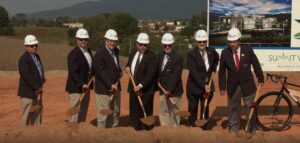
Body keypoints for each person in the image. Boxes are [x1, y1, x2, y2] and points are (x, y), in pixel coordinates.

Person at [219, 28, 264, 137]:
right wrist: (222, 87)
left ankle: (250, 130)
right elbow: (221, 72)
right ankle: (233, 129)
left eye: (234, 41)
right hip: (232, 86)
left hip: (248, 84)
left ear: (239, 40)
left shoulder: (248, 50)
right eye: (230, 42)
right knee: (233, 107)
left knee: (250, 107)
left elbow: (256, 64)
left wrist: (260, 78)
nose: (232, 44)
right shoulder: (225, 53)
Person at [186, 30, 219, 127]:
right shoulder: (191, 54)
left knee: (205, 106)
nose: (202, 43)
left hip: (208, 86)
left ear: (206, 41)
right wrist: (203, 85)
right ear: (196, 42)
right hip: (194, 86)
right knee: (193, 108)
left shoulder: (211, 51)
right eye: (200, 41)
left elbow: (217, 58)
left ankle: (203, 126)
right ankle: (193, 126)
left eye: (204, 41)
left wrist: (214, 69)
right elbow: (193, 72)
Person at [125, 33, 157, 130]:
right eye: (141, 44)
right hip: (133, 89)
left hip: (146, 91)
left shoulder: (152, 56)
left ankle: (148, 131)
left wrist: (140, 86)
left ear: (148, 45)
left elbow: (151, 74)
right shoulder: (133, 53)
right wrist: (127, 67)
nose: (143, 47)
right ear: (137, 44)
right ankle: (136, 129)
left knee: (146, 112)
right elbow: (128, 64)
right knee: (134, 111)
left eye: (145, 45)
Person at [93, 29, 122, 128]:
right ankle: (101, 134)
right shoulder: (100, 53)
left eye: (114, 41)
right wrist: (110, 84)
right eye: (110, 40)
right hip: (103, 89)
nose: (112, 43)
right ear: (106, 40)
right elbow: (100, 72)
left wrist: (120, 71)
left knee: (115, 111)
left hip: (116, 87)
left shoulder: (116, 51)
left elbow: (115, 65)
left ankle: (112, 132)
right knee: (103, 113)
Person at [66, 28, 93, 123]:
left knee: (83, 111)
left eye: (86, 39)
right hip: (76, 89)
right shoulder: (73, 54)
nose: (84, 41)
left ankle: (81, 132)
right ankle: (72, 133)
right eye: (81, 39)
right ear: (77, 40)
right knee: (75, 113)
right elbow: (73, 73)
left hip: (87, 86)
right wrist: (82, 84)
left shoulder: (88, 51)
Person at [18, 34, 45, 126]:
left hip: (37, 91)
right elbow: (26, 76)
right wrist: (36, 87)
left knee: (37, 115)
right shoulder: (23, 59)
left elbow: (38, 69)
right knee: (26, 116)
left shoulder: (37, 56)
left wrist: (42, 79)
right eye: (32, 45)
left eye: (36, 45)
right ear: (26, 46)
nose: (34, 47)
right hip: (28, 93)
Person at [157, 33, 183, 127]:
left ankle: (175, 132)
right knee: (163, 111)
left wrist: (169, 90)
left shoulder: (178, 58)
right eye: (165, 45)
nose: (167, 47)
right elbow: (157, 71)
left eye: (169, 45)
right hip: (162, 89)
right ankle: (165, 130)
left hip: (174, 91)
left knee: (174, 112)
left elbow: (176, 76)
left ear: (172, 44)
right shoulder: (160, 56)